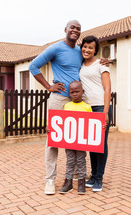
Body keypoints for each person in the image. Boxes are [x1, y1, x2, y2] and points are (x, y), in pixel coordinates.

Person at [29, 20, 83, 195]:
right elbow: (33, 66)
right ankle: (50, 180)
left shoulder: (79, 50)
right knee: (53, 140)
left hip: (76, 101)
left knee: (75, 138)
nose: (75, 30)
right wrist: (48, 86)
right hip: (59, 98)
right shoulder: (56, 48)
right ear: (65, 30)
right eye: (72, 27)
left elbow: (88, 62)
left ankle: (75, 173)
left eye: (78, 28)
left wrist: (103, 61)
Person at [79, 35, 112, 192]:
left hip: (100, 107)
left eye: (91, 47)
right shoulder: (80, 65)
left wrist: (105, 112)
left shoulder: (101, 64)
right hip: (87, 108)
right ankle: (93, 176)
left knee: (101, 144)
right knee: (92, 144)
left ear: (95, 50)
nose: (87, 49)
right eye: (85, 46)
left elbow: (107, 89)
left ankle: (99, 178)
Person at [59, 81, 92, 195]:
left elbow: (91, 124)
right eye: (72, 92)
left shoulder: (87, 107)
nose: (74, 94)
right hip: (69, 140)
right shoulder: (67, 106)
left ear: (82, 92)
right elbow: (62, 122)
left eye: (77, 91)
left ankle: (81, 182)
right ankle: (68, 183)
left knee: (81, 160)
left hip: (81, 141)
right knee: (70, 161)